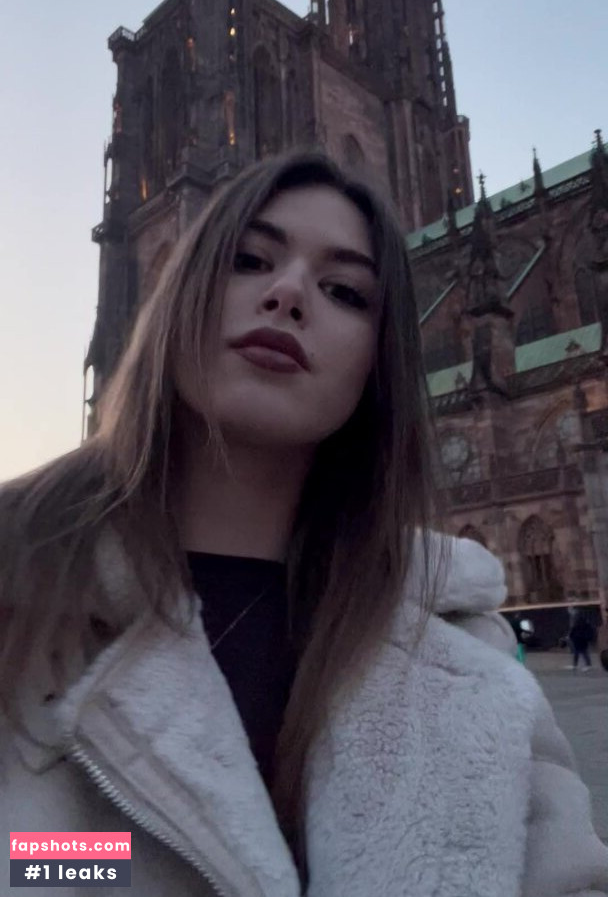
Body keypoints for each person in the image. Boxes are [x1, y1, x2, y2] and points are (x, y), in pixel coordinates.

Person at [1, 151, 607, 897]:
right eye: (250, 259)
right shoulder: (20, 596)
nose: (288, 293)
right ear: (174, 298)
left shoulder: (461, 647)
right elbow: (24, 860)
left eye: (345, 291)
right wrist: (108, 867)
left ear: (383, 363)